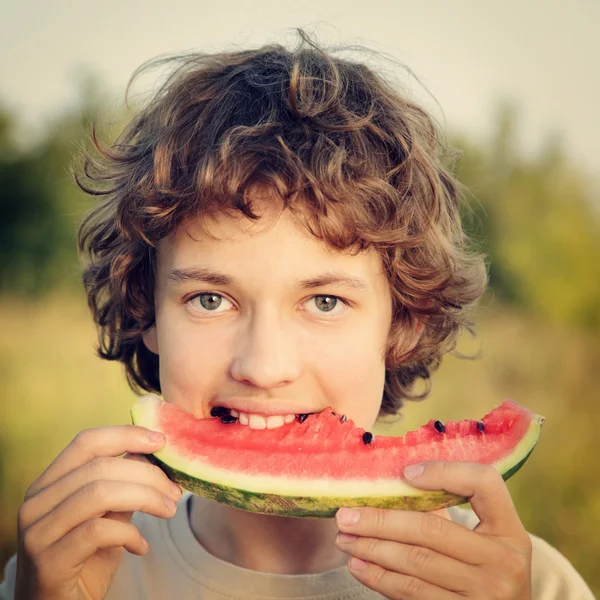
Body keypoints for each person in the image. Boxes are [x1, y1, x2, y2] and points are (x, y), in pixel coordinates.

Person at [1, 29, 595, 600]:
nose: (264, 367)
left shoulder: (524, 582)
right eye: (211, 299)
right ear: (146, 311)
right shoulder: (72, 573)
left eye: (325, 302)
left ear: (399, 323)